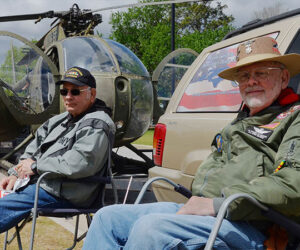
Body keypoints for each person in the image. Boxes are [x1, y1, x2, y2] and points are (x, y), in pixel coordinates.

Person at [83, 36, 300, 250]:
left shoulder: (293, 118)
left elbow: (293, 184)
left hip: (253, 226)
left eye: (261, 73)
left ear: (283, 78)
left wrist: (216, 204)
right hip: (204, 211)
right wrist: (202, 203)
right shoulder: (238, 122)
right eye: (244, 76)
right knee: (107, 218)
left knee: (151, 229)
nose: (251, 81)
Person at [0, 66, 115, 233]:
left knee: (4, 206)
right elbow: (34, 146)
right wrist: (16, 173)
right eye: (64, 91)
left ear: (92, 95)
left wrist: (35, 167)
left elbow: (80, 163)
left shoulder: (97, 123)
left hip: (67, 192)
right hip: (44, 184)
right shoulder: (60, 120)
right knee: (4, 194)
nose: (68, 97)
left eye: (75, 92)